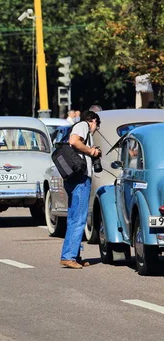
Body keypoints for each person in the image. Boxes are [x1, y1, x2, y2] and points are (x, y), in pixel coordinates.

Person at [60, 110, 102, 269]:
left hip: (74, 178)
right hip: (80, 179)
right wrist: (92, 151)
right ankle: (68, 256)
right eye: (97, 125)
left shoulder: (79, 126)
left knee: (74, 217)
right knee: (79, 218)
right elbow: (74, 141)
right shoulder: (83, 125)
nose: (96, 128)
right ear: (93, 121)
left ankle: (74, 255)